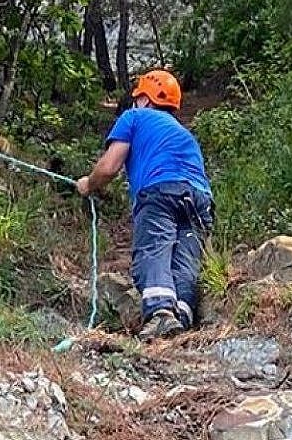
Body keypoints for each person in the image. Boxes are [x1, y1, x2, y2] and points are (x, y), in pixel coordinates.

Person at [75, 69, 213, 340]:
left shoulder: (134, 117)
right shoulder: (184, 134)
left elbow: (109, 166)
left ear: (146, 100)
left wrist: (88, 185)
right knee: (184, 259)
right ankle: (181, 317)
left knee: (154, 249)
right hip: (199, 198)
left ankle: (161, 314)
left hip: (160, 191)